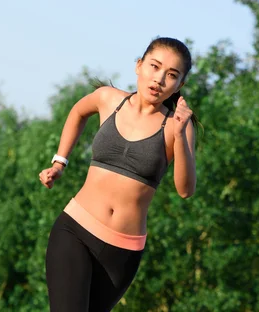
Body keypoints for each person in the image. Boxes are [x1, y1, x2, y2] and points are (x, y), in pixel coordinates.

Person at [39, 37, 199, 311]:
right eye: (154, 66)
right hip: (75, 230)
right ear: (139, 66)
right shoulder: (108, 99)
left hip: (122, 252)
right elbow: (78, 112)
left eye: (171, 75)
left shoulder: (177, 126)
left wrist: (182, 134)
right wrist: (59, 162)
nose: (159, 79)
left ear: (180, 85)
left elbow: (185, 190)